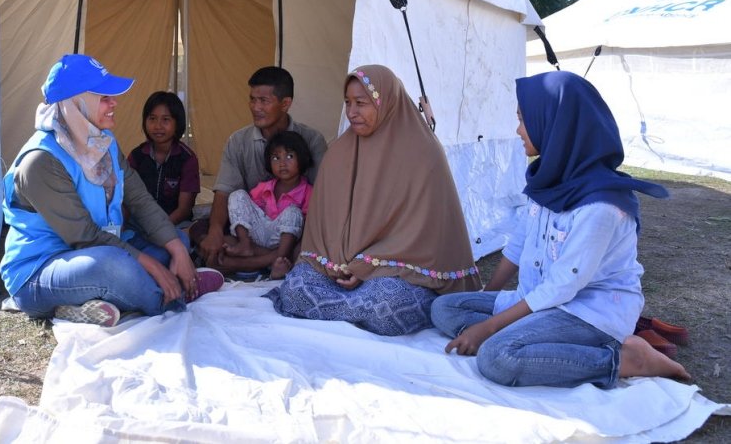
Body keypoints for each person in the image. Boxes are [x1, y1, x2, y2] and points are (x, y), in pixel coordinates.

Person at [430, 71, 690, 387]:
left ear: (555, 124)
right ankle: (536, 343)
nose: (518, 130)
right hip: (539, 299)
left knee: (498, 358)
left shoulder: (601, 206)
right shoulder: (549, 178)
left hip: (589, 311)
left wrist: (489, 327)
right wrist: (490, 295)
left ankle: (624, 359)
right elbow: (519, 243)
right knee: (444, 308)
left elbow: (563, 287)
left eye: (524, 120)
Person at [0, 54, 222, 326]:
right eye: (103, 96)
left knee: (175, 241)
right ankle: (172, 297)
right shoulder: (40, 161)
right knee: (113, 267)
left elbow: (139, 198)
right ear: (75, 102)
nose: (114, 102)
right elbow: (85, 237)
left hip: (105, 247)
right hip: (43, 269)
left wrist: (177, 250)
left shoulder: (102, 142)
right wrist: (152, 267)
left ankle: (88, 305)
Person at [266, 65, 481, 336]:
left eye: (361, 103)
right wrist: (339, 263)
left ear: (386, 102)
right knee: (296, 288)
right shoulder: (340, 152)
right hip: (340, 270)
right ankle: (356, 312)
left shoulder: (423, 153)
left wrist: (370, 264)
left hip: (398, 273)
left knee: (386, 305)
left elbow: (423, 235)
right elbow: (326, 225)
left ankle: (348, 310)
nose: (352, 112)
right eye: (347, 102)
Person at [197, 66, 328, 268]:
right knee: (201, 229)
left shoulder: (312, 140)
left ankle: (253, 261)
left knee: (310, 235)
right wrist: (215, 233)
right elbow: (224, 192)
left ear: (285, 104)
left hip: (291, 233)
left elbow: (321, 203)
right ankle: (273, 259)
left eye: (264, 101)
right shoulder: (238, 140)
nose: (255, 107)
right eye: (252, 99)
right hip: (250, 231)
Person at [220, 131, 314, 279]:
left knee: (293, 212)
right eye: (276, 158)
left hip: (283, 243)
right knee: (237, 195)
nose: (282, 163)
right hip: (257, 237)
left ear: (302, 158)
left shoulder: (308, 192)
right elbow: (248, 211)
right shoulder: (265, 187)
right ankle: (245, 245)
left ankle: (279, 262)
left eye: (289, 156)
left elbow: (309, 225)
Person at [127, 91, 200, 227]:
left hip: (175, 224)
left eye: (165, 119)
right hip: (140, 224)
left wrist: (160, 229)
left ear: (177, 122)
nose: (158, 126)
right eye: (152, 118)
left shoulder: (187, 159)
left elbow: (184, 209)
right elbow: (126, 198)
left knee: (183, 240)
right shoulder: (137, 156)